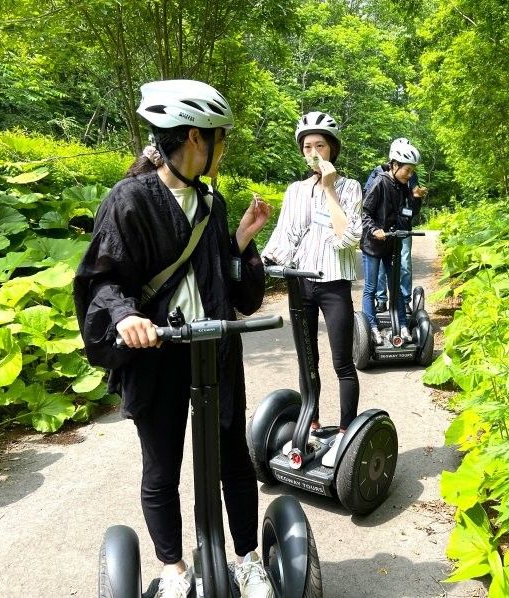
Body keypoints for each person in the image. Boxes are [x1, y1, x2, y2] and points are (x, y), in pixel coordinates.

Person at [73, 80, 275, 598]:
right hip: (157, 352)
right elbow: (103, 278)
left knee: (234, 457)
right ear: (193, 137)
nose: (220, 148)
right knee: (161, 465)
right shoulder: (130, 199)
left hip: (214, 350)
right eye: (217, 138)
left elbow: (218, 275)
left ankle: (247, 558)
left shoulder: (213, 201)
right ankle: (173, 568)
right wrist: (123, 317)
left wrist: (242, 241)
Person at [261, 111, 362, 467]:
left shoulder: (350, 187)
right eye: (308, 146)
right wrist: (262, 261)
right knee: (307, 361)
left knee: (342, 362)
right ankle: (312, 420)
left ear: (332, 148)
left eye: (320, 145)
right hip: (299, 282)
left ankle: (349, 432)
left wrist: (331, 187)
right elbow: (284, 235)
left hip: (333, 283)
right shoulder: (296, 191)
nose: (314, 151)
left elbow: (347, 238)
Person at [361, 139, 422, 345]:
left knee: (394, 287)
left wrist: (416, 198)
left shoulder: (403, 186)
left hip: (391, 244)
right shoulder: (380, 182)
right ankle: (372, 327)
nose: (410, 175)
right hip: (373, 245)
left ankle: (402, 326)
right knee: (370, 288)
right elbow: (365, 212)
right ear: (395, 165)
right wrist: (374, 229)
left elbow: (407, 214)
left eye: (412, 171)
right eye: (407, 170)